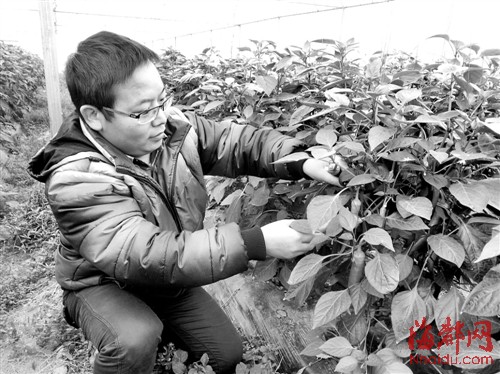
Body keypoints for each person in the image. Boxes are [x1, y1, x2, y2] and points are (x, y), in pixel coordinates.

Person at [28, 31, 341, 374]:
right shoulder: (77, 178)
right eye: (144, 111)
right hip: (101, 283)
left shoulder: (173, 127)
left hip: (164, 279)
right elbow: (143, 253)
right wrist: (258, 243)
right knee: (134, 338)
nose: (161, 116)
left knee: (225, 354)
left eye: (163, 100)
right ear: (94, 116)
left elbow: (236, 142)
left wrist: (301, 159)